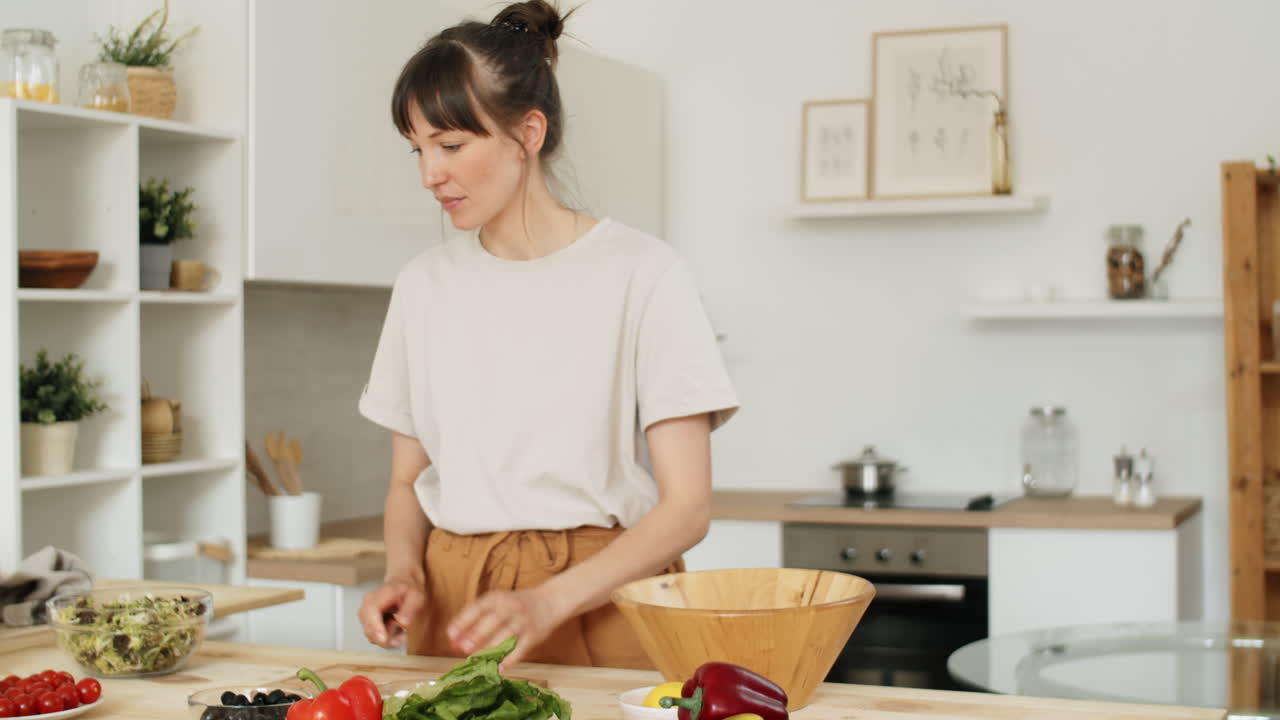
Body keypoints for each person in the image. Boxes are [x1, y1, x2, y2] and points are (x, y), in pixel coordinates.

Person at [355, 0, 737, 671]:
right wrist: (406, 575)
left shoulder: (643, 273)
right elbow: (405, 484)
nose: (428, 175)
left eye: (449, 146)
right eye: (417, 149)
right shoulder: (422, 286)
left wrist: (548, 602)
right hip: (458, 606)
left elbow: (687, 508)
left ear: (528, 131)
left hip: (604, 599)